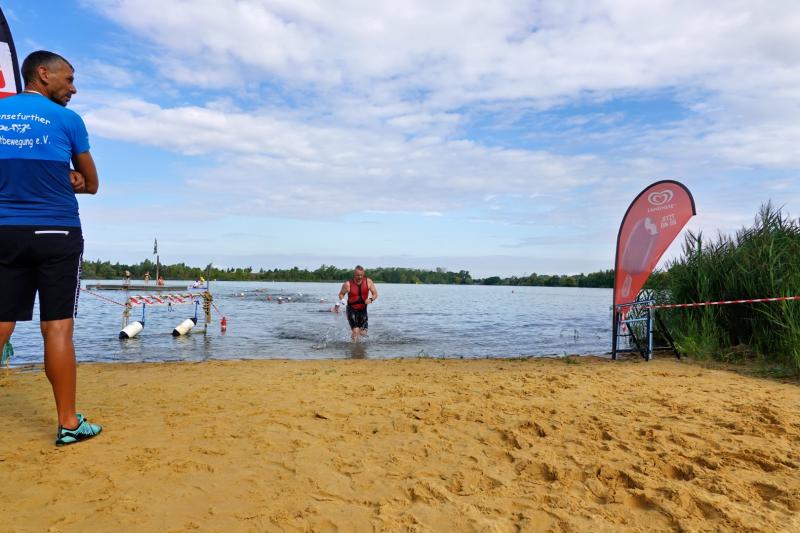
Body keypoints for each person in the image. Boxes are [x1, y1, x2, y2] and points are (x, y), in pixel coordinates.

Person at [0, 51, 102, 445]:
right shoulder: (67, 120)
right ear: (43, 74)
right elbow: (92, 184)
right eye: (69, 79)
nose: (73, 88)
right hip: (56, 232)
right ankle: (69, 424)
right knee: (57, 327)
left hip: (4, 231)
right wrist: (71, 176)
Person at [338, 265, 378, 342]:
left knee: (363, 333)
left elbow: (375, 294)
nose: (359, 277)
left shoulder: (368, 282)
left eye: (361, 275)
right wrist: (343, 300)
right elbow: (341, 294)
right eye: (357, 275)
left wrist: (371, 299)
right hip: (351, 309)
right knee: (356, 331)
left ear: (363, 274)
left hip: (363, 310)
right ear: (354, 274)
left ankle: (358, 346)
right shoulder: (348, 284)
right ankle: (353, 347)